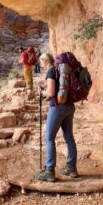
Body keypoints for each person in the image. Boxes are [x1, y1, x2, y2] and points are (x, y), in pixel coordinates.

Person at [34, 53, 78, 182]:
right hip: (69, 106)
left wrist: (42, 92)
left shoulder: (51, 72)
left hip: (58, 108)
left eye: (41, 62)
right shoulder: (63, 70)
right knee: (69, 136)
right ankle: (71, 168)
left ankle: (49, 171)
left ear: (44, 61)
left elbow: (51, 92)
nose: (40, 65)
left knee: (49, 138)